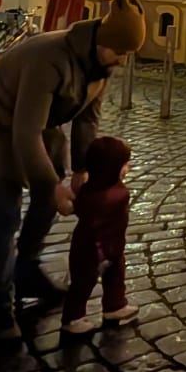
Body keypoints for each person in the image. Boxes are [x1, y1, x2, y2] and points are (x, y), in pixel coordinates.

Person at [0, 0, 144, 343]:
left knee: (47, 204)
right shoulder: (49, 59)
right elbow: (24, 131)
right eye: (120, 52)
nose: (122, 61)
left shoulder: (101, 63)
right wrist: (51, 184)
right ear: (103, 42)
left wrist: (82, 170)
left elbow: (87, 120)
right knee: (4, 216)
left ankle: (27, 269)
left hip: (38, 126)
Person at [61, 135, 134, 337]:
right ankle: (74, 318)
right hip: (92, 249)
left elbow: (80, 209)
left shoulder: (91, 190)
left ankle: (114, 305)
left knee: (113, 275)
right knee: (84, 282)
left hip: (108, 246)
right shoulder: (115, 193)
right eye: (124, 164)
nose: (127, 168)